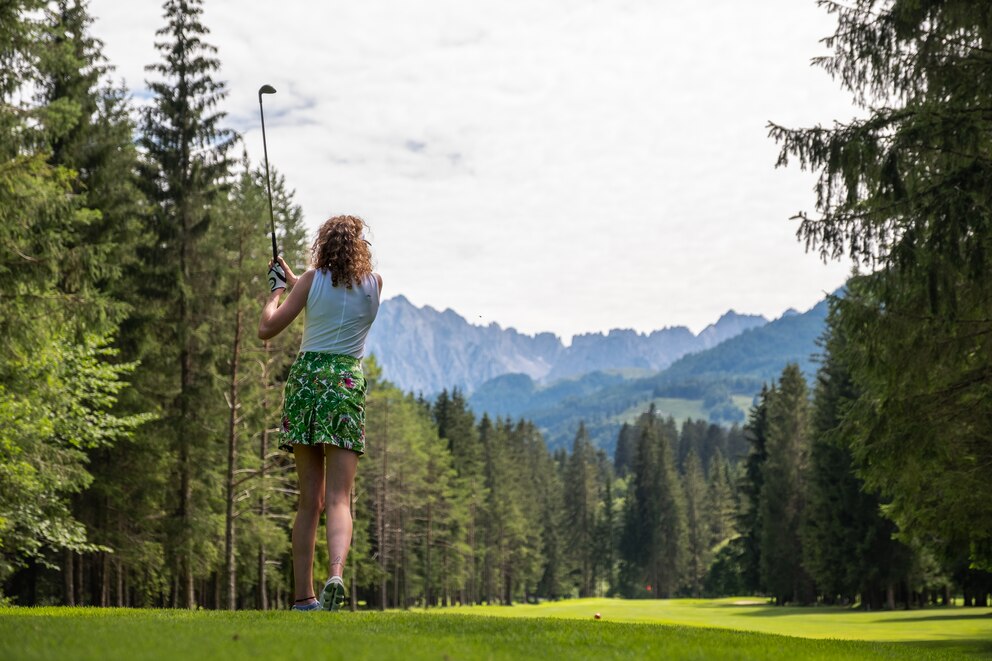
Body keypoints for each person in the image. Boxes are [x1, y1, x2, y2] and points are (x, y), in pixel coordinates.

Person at [258, 214, 381, 612]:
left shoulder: (313, 280)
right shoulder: (374, 286)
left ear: (323, 244)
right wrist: (298, 282)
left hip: (308, 382)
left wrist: (277, 291)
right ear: (360, 247)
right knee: (340, 498)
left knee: (310, 501)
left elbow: (267, 328)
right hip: (345, 385)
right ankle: (337, 574)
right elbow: (336, 302)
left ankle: (303, 598)